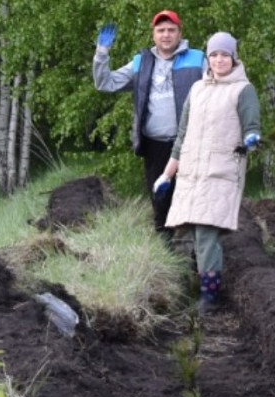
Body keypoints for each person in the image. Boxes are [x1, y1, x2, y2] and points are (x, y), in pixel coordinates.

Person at [153, 31, 261, 314]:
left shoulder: (243, 90)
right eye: (214, 54)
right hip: (191, 173)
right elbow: (182, 135)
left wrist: (251, 139)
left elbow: (252, 127)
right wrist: (167, 175)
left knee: (206, 234)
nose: (219, 59)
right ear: (208, 58)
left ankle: (209, 297)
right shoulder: (198, 89)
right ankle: (195, 288)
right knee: (189, 233)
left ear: (234, 58)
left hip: (221, 172)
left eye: (225, 54)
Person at [92, 9, 205, 236]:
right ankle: (167, 250)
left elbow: (220, 88)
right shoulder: (140, 62)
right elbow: (105, 83)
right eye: (160, 30)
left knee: (194, 198)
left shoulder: (197, 58)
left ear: (180, 33)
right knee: (160, 199)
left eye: (171, 30)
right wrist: (102, 53)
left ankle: (196, 254)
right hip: (155, 144)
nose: (166, 35)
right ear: (153, 34)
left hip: (192, 143)